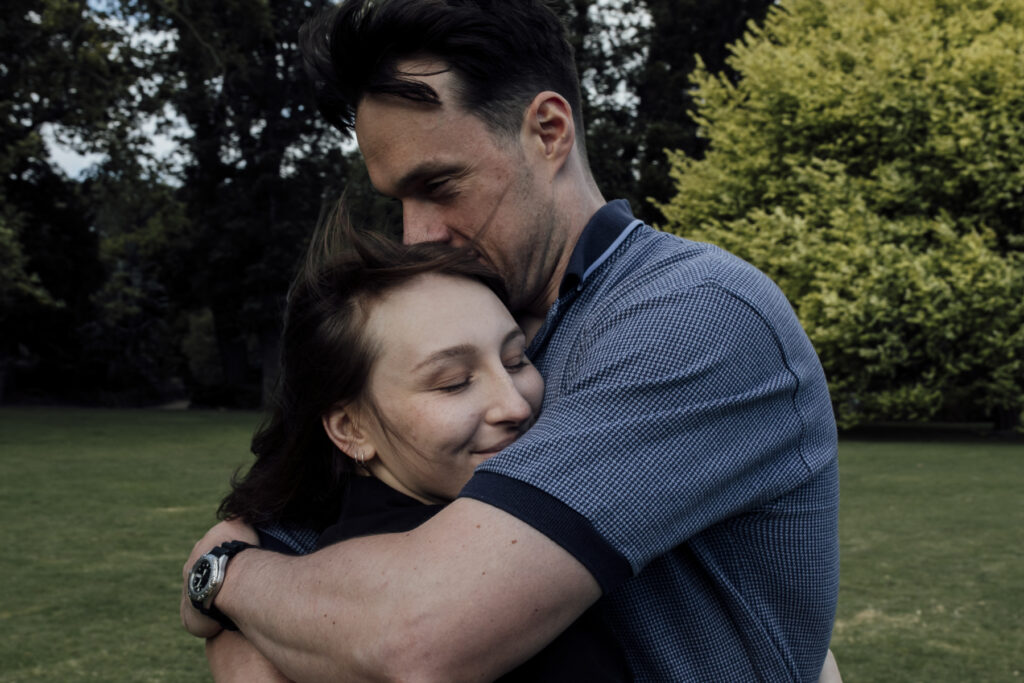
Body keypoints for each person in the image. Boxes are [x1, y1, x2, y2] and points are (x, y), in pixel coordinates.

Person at [181, 1, 841, 680]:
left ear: (549, 131)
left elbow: (418, 632)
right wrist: (235, 589)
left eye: (438, 185)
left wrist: (226, 578)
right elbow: (276, 553)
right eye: (397, 201)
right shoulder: (462, 323)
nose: (417, 235)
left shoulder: (693, 314)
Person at [199, 222, 631, 681]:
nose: (515, 405)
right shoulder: (382, 604)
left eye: (517, 360)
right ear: (351, 430)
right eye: (453, 382)